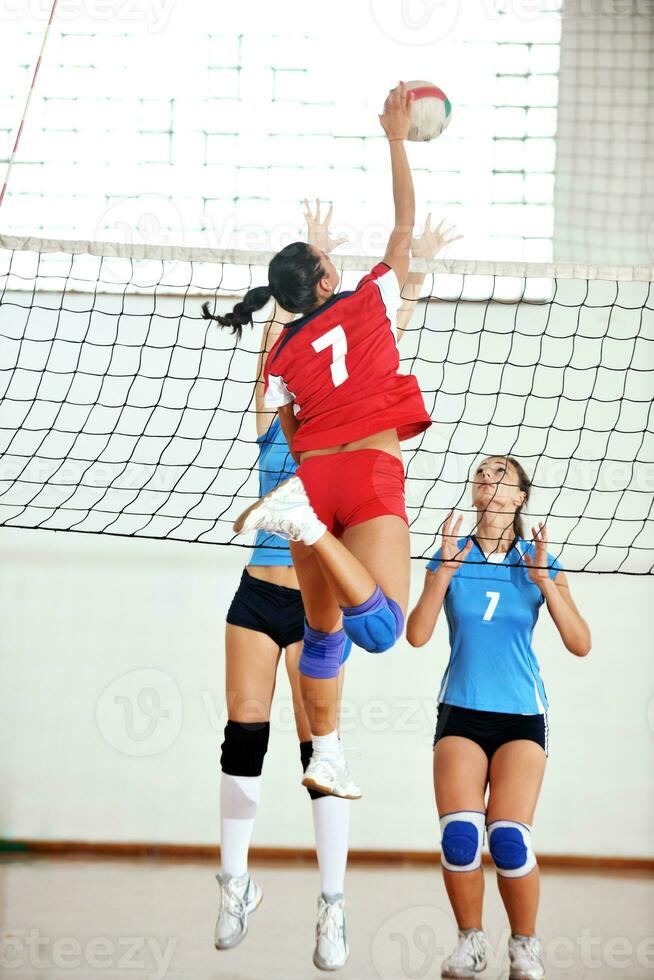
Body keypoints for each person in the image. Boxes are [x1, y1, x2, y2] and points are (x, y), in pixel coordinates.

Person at [203, 197, 459, 969]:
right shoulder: (278, 411)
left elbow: (375, 332)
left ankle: (333, 906)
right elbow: (295, 339)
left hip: (321, 598)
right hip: (259, 592)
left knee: (322, 750)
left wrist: (412, 272)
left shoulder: (342, 411)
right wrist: (305, 268)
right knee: (244, 730)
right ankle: (234, 884)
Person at [229, 82, 436, 802]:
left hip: (312, 477)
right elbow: (404, 226)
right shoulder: (375, 295)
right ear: (326, 275)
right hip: (368, 476)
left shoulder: (283, 351)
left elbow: (286, 426)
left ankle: (328, 752)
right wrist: (395, 139)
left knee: (324, 638)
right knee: (376, 632)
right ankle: (311, 526)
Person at [406, 456, 591, 980]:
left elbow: (581, 643)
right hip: (461, 712)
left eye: (500, 475)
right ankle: (470, 942)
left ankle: (524, 947)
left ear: (519, 499)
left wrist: (545, 581)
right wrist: (441, 574)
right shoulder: (451, 556)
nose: (487, 479)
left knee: (509, 840)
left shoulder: (539, 562)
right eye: (481, 473)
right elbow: (417, 635)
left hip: (521, 719)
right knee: (460, 838)